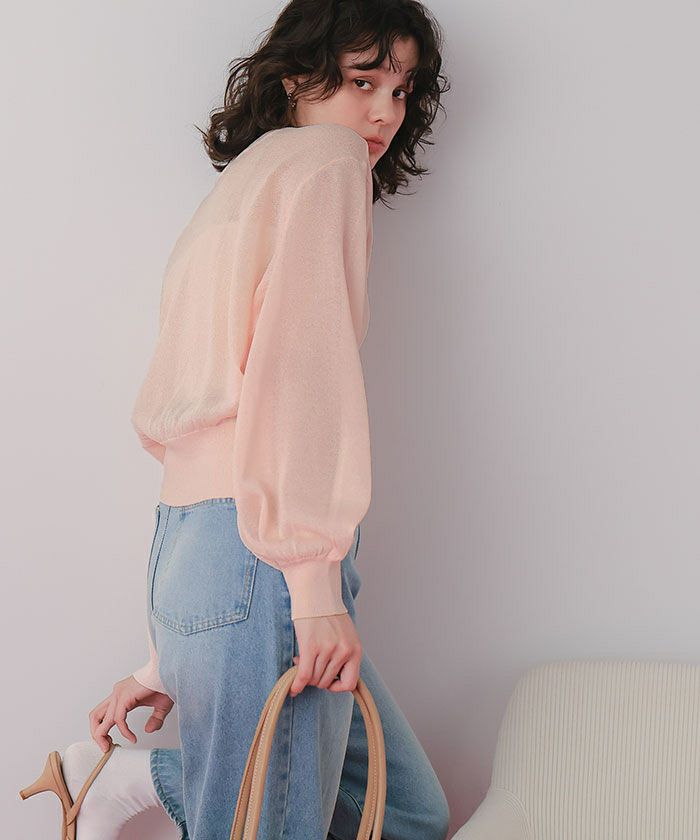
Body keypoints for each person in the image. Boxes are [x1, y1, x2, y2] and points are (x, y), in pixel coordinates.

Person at [19, 1, 452, 838]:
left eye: (401, 90)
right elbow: (300, 377)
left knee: (403, 814)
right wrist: (313, 584)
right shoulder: (327, 165)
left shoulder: (245, 181)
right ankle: (145, 781)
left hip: (193, 546)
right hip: (263, 553)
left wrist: (164, 657)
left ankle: (134, 777)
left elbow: (197, 408)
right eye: (363, 81)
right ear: (297, 78)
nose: (383, 113)